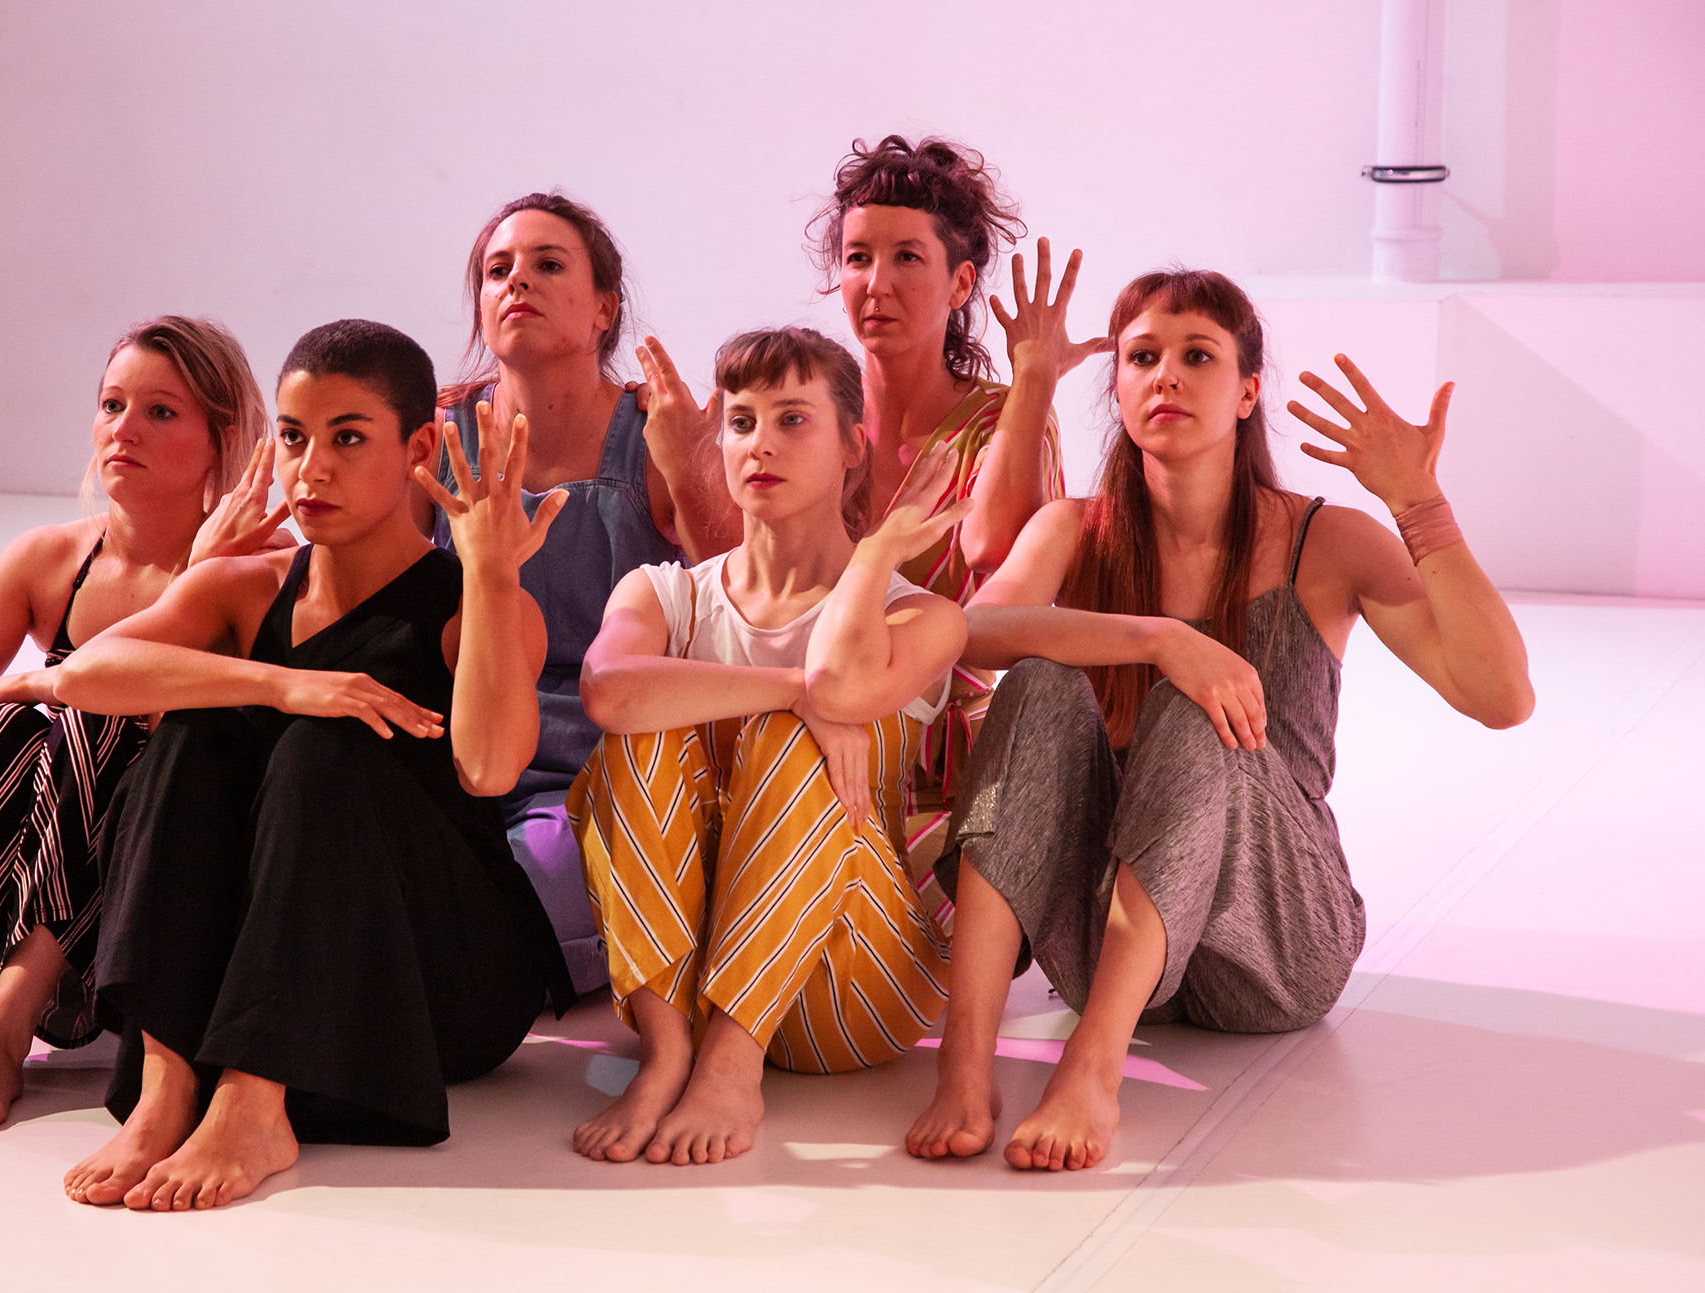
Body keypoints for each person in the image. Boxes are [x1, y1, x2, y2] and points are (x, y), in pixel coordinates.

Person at [906, 269, 1535, 1172]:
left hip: (1275, 945)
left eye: (1198, 356)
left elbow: (1502, 697)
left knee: (1202, 709)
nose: (1166, 375)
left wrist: (1417, 504)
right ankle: (965, 1067)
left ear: (1247, 392)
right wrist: (1160, 638)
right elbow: (971, 632)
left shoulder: (1325, 540)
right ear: (1116, 388)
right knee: (1036, 684)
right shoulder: (1073, 530)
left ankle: (1092, 1071)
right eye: (1142, 358)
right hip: (1111, 947)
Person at [54, 319, 571, 1211]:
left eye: (348, 439)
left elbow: (490, 770)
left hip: (441, 978)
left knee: (325, 748)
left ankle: (254, 1103)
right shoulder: (248, 586)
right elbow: (84, 675)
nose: (311, 469)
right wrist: (286, 685)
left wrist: (492, 576)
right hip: (267, 975)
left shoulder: (474, 605)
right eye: (294, 438)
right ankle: (167, 1086)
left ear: (418, 452)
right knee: (193, 733)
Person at [0, 316, 282, 1138]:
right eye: (112, 404)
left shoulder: (257, 564)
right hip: (18, 909)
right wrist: (32, 682)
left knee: (95, 715)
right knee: (11, 720)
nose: (124, 429)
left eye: (161, 412)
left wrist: (193, 581)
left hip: (150, 915)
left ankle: (4, 1030)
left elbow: (236, 754)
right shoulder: (50, 558)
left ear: (221, 438)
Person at [568, 327, 969, 1166]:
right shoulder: (664, 594)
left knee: (796, 739)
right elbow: (607, 691)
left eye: (793, 419)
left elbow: (841, 688)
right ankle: (668, 1055)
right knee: (634, 743)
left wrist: (876, 554)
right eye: (741, 422)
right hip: (686, 986)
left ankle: (731, 1065)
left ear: (853, 446)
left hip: (849, 989)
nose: (760, 444)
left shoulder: (917, 614)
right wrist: (791, 690)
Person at [419, 192, 740, 997]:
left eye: (548, 264)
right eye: (498, 270)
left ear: (605, 309)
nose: (517, 281)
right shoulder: (437, 437)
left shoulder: (653, 434)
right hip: (456, 751)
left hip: (594, 775)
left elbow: (741, 599)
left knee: (512, 912)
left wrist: (689, 467)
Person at [807, 134, 1109, 895]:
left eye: (907, 257)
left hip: (947, 773)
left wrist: (1033, 379)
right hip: (817, 729)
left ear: (960, 282)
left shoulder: (1004, 420)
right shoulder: (810, 419)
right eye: (857, 257)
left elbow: (994, 555)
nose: (877, 282)